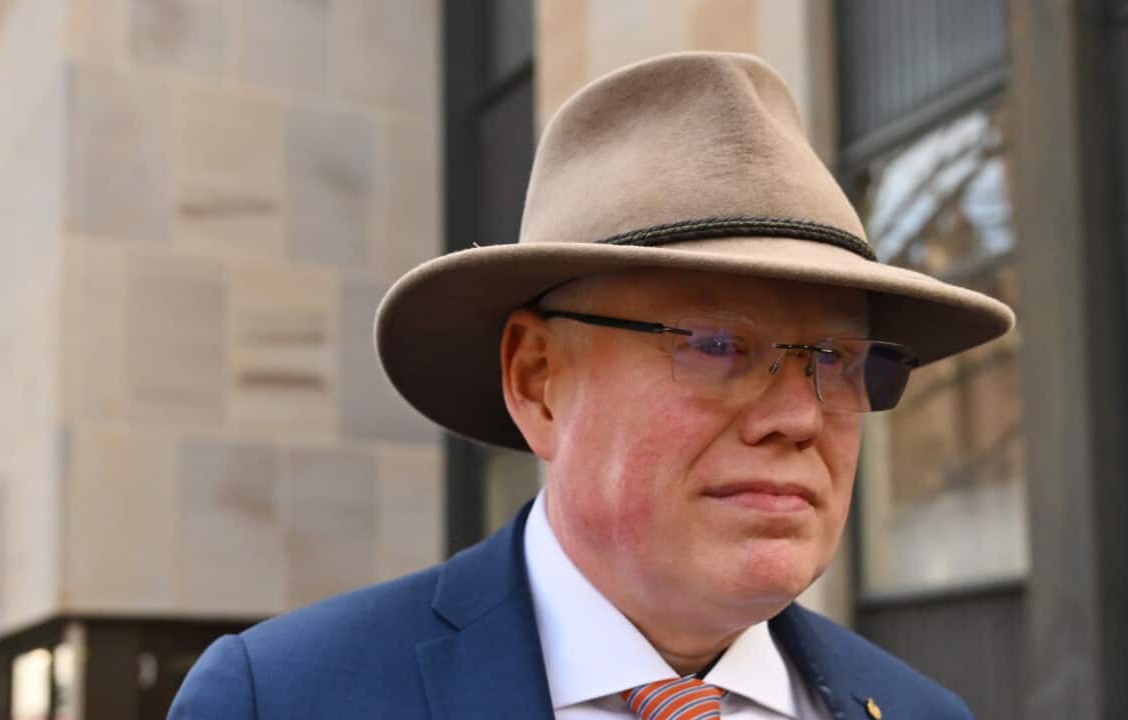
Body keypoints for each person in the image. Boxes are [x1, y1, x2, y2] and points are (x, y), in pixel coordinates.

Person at [169, 51, 1012, 720]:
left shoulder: (918, 711)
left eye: (835, 360)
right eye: (718, 345)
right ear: (539, 381)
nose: (798, 416)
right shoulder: (284, 700)